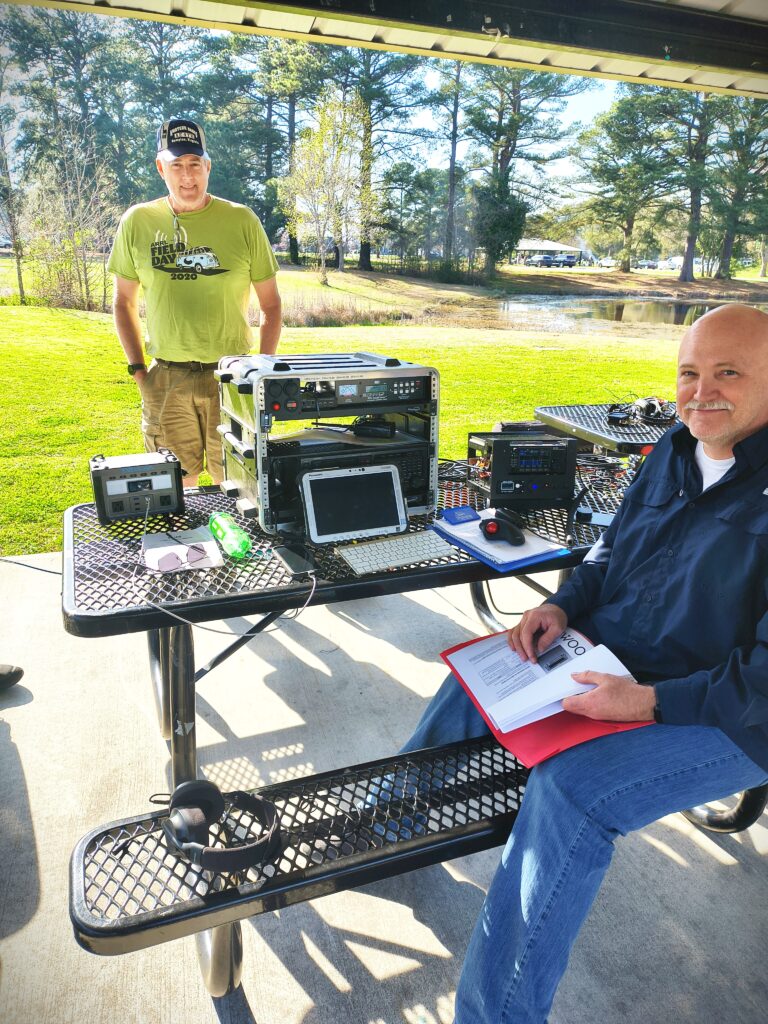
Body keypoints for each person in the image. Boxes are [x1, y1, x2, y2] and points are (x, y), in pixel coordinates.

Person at [403, 302, 768, 1023]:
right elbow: (607, 553)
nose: (702, 393)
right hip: (618, 654)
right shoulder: (672, 448)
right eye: (689, 373)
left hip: (732, 714)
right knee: (476, 677)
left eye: (730, 372)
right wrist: (563, 608)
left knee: (573, 792)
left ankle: (493, 1015)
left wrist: (646, 703)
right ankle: (391, 824)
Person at [108, 117, 282, 486]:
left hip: (231, 377)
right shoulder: (138, 221)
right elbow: (123, 301)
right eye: (177, 166)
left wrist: (260, 370)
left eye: (194, 164)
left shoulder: (242, 220)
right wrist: (139, 370)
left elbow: (271, 306)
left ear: (207, 167)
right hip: (167, 378)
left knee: (237, 482)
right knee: (174, 485)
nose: (187, 176)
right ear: (161, 168)